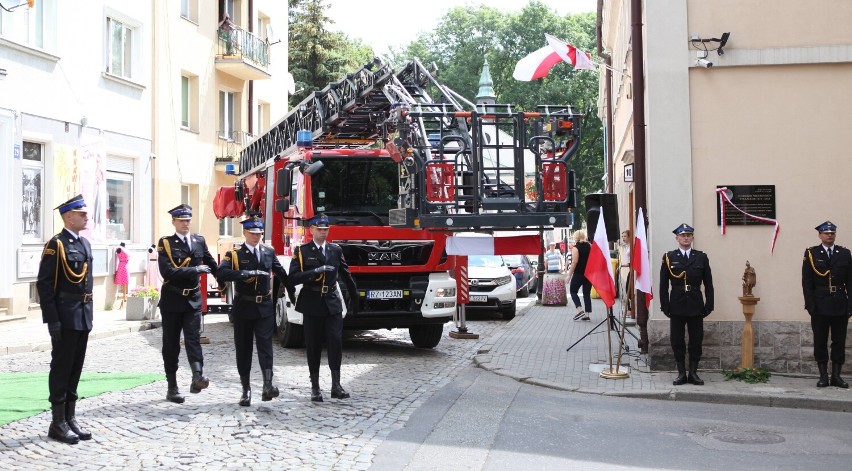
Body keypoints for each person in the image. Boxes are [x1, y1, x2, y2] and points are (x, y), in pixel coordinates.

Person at [37, 194, 94, 444]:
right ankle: (57, 422)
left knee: (75, 367)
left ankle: (70, 417)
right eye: (81, 214)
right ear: (68, 216)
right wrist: (53, 321)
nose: (86, 216)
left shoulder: (84, 244)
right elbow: (45, 285)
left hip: (82, 316)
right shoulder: (56, 244)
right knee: (61, 367)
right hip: (65, 316)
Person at [216, 215, 289, 406]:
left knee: (266, 347)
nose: (256, 237)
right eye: (252, 233)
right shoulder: (235, 255)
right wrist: (246, 274)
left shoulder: (268, 252)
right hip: (244, 307)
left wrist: (293, 289)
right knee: (244, 348)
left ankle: (267, 386)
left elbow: (281, 272)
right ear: (245, 233)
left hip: (264, 307)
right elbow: (221, 273)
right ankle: (246, 389)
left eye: (259, 233)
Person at [287, 214, 358, 402]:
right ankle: (315, 386)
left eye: (326, 229)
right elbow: (292, 278)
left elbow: (346, 274)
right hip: (312, 301)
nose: (323, 232)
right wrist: (314, 272)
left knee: (335, 341)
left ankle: (336, 385)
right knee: (313, 345)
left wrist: (354, 296)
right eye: (319, 229)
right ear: (311, 230)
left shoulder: (335, 250)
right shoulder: (302, 251)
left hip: (332, 300)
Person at [157, 204, 218, 403]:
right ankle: (172, 387)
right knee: (171, 345)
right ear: (174, 222)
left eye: (188, 220)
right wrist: (195, 270)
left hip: (192, 299)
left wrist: (227, 277)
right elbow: (167, 272)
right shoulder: (166, 243)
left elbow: (211, 264)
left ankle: (197, 376)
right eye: (181, 220)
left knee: (193, 339)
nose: (185, 223)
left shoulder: (199, 241)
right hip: (172, 300)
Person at [659, 223, 714, 386]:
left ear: (692, 237)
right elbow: (663, 285)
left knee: (696, 340)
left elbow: (708, 284)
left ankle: (694, 373)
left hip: (696, 304)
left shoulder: (701, 257)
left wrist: (709, 304)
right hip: (676, 304)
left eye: (688, 235)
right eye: (682, 235)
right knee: (677, 340)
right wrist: (665, 305)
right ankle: (681, 373)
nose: (685, 238)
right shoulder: (669, 257)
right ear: (677, 238)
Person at [802, 221, 851, 388]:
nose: (830, 235)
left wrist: (850, 304)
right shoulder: (812, 253)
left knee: (839, 341)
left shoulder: (844, 254)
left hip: (839, 303)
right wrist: (810, 305)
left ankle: (836, 376)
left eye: (832, 233)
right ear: (820, 235)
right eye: (826, 233)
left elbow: (850, 281)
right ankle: (823, 375)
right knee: (820, 341)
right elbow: (807, 282)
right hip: (820, 304)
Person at [567, 230, 593, 321]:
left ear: (576, 237)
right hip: (589, 274)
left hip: (579, 274)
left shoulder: (575, 248)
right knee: (586, 293)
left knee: (573, 291)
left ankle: (580, 310)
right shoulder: (590, 245)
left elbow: (574, 262)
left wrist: (569, 275)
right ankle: (587, 315)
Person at [541, 241, 567, 305]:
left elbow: (560, 259)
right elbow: (546, 261)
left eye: (553, 245)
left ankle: (557, 297)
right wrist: (545, 269)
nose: (552, 246)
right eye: (551, 245)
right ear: (549, 246)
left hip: (557, 269)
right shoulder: (547, 252)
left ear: (555, 246)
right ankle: (551, 297)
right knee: (550, 283)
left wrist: (561, 267)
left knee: (557, 283)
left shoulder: (557, 251)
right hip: (550, 269)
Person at [618, 230, 634, 318]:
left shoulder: (631, 246)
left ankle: (631, 309)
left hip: (632, 270)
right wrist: (622, 266)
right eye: (622, 236)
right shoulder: (627, 246)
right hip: (629, 268)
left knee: (629, 288)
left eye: (625, 236)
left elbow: (632, 260)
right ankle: (629, 309)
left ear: (629, 237)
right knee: (627, 288)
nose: (623, 238)